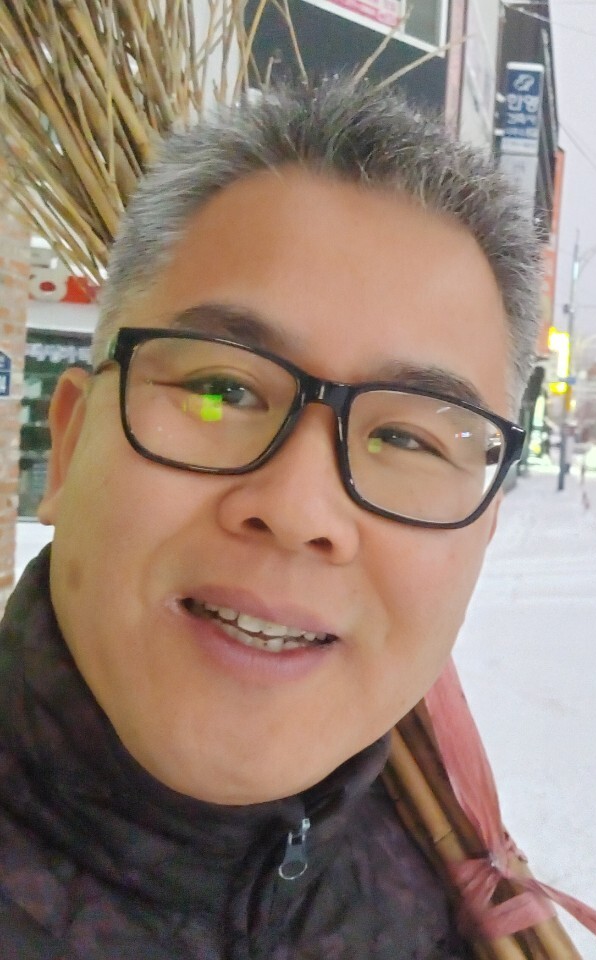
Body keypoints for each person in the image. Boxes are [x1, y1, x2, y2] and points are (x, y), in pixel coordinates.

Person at [0, 78, 542, 958]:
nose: (297, 510)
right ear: (68, 445)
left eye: (405, 438)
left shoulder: (440, 896)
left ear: (481, 536)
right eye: (222, 389)